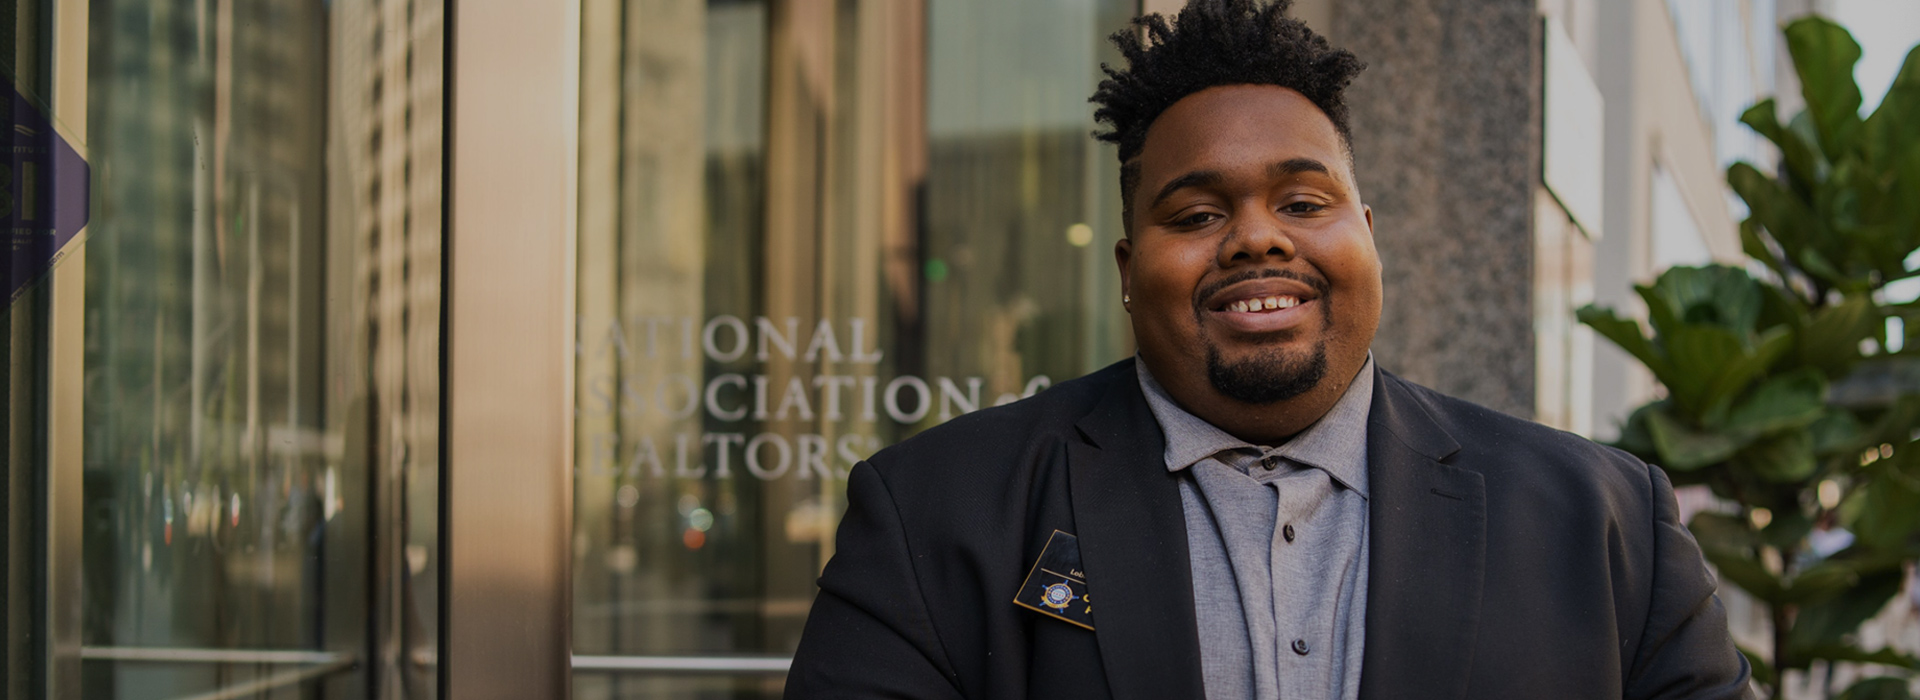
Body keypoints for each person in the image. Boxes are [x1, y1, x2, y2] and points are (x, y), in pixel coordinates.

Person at [784, 1, 1754, 698]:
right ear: (1128, 268)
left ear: (1367, 233)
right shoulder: (930, 518)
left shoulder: (1610, 531)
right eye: (1198, 212)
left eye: (1301, 201)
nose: (1257, 238)